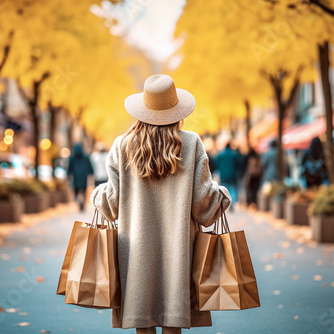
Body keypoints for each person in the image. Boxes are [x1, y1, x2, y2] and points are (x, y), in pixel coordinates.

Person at [91, 74, 231, 334]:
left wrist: (96, 193)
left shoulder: (122, 146)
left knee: (142, 321)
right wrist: (223, 195)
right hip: (178, 253)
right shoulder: (191, 144)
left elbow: (109, 206)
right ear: (177, 111)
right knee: (172, 318)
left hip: (134, 253)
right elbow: (205, 208)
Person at [67, 143, 93, 211]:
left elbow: (69, 168)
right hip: (84, 176)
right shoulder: (86, 157)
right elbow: (90, 166)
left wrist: (68, 175)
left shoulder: (72, 157)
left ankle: (77, 199)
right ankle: (83, 202)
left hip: (75, 176)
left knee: (76, 189)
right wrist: (91, 173)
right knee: (84, 190)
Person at [215, 142, 241, 211]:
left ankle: (224, 203)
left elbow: (216, 163)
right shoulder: (234, 154)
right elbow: (239, 163)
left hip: (223, 175)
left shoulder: (221, 155)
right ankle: (231, 203)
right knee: (232, 190)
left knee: (223, 189)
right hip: (232, 175)